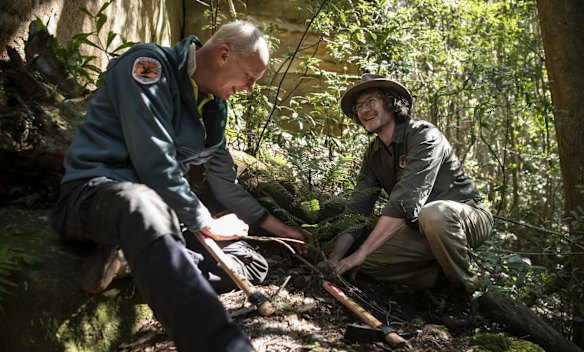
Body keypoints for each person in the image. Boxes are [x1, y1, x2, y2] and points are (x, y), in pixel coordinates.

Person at [52, 21, 305, 352]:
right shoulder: (149, 67)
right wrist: (204, 220)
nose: (250, 88)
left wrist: (281, 228)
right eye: (249, 77)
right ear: (224, 54)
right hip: (101, 196)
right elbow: (154, 164)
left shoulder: (215, 108)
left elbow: (224, 181)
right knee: (141, 204)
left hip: (164, 216)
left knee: (251, 263)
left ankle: (132, 261)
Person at [321, 73, 494, 293]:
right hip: (418, 230)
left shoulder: (424, 136)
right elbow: (358, 209)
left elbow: (405, 203)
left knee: (434, 215)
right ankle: (439, 277)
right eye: (359, 106)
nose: (365, 111)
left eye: (371, 101)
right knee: (364, 265)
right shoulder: (373, 154)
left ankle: (464, 292)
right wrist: (336, 258)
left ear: (391, 103)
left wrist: (358, 254)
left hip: (466, 217)